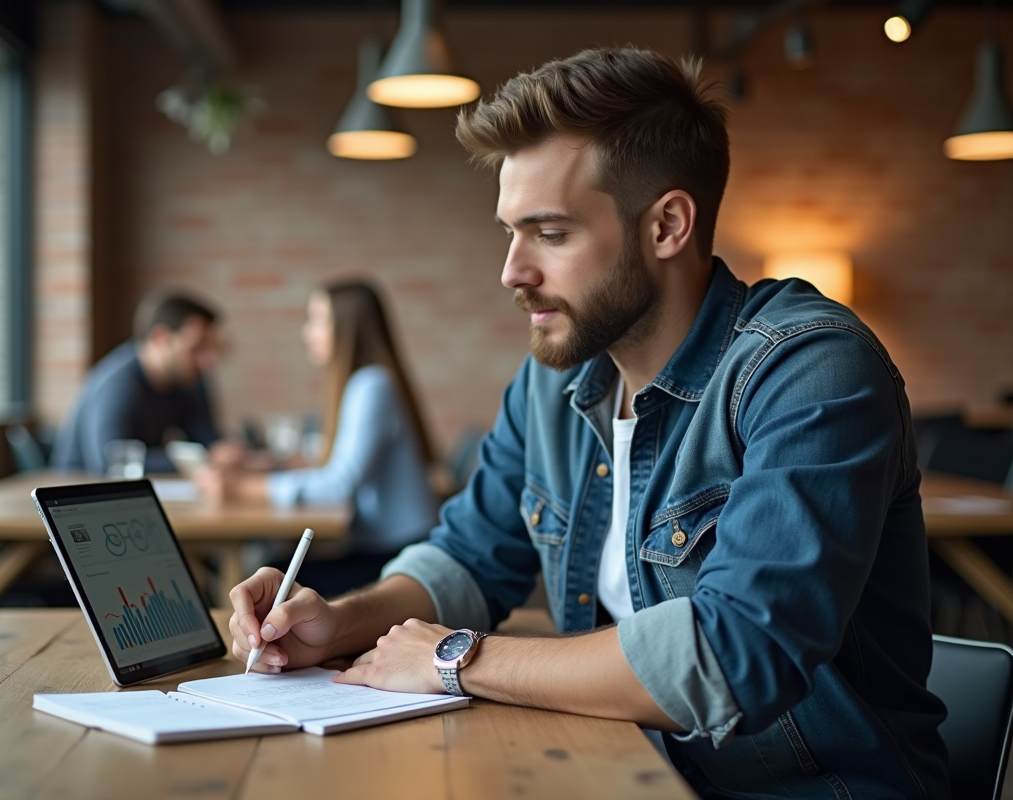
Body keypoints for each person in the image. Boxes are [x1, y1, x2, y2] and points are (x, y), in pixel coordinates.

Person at [224, 47, 950, 798]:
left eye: (550, 233)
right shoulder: (553, 382)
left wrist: (455, 660)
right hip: (617, 771)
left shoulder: (810, 370)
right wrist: (335, 624)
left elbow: (735, 654)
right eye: (511, 231)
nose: (512, 271)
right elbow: (469, 558)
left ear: (667, 225)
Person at [202, 279, 439, 597]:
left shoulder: (372, 385)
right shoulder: (368, 382)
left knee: (272, 577)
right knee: (276, 571)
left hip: (399, 556)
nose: (307, 332)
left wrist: (241, 488)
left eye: (317, 321)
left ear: (346, 328)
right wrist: (269, 465)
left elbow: (339, 484)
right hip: (384, 546)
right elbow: (339, 463)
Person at [51, 293, 226, 475]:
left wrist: (224, 452)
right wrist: (201, 460)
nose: (207, 362)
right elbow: (112, 463)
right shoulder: (117, 386)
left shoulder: (185, 382)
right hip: (79, 487)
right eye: (196, 348)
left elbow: (207, 443)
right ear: (161, 338)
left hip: (140, 487)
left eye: (209, 349)